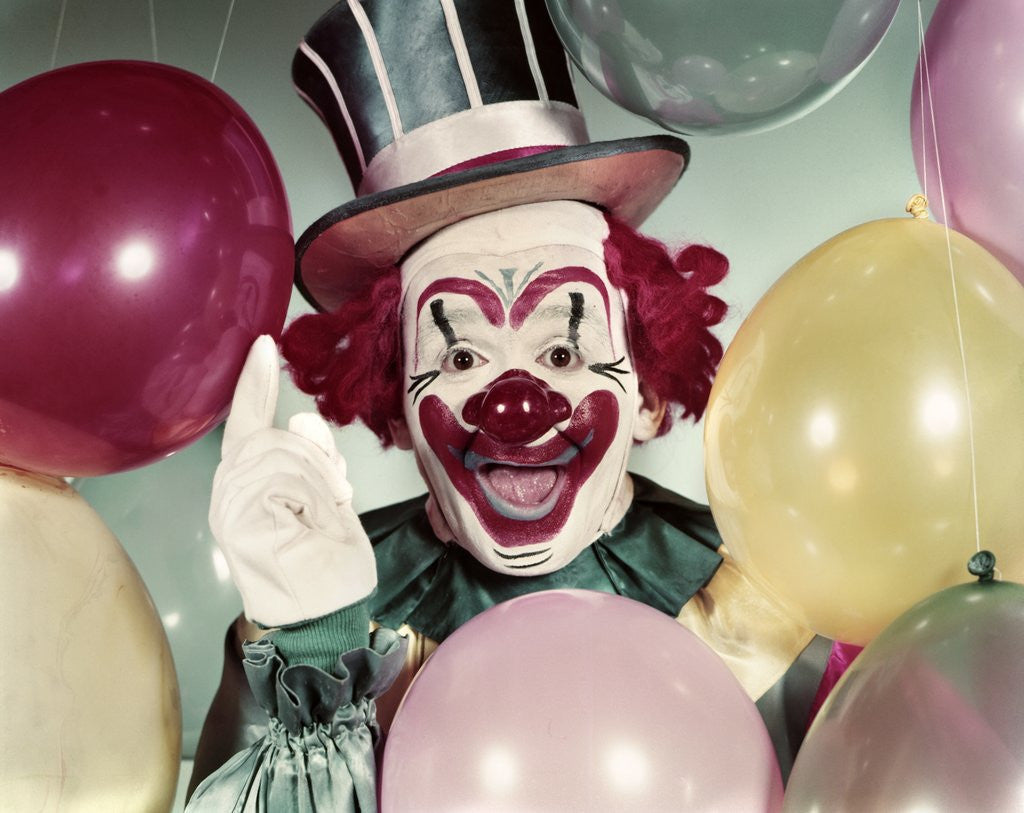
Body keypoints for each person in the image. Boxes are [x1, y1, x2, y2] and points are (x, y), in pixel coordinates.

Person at [187, 1, 831, 809]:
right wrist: (312, 639)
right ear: (396, 404)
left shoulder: (760, 589)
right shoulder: (331, 600)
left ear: (647, 390)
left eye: (562, 350)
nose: (516, 405)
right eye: (459, 355)